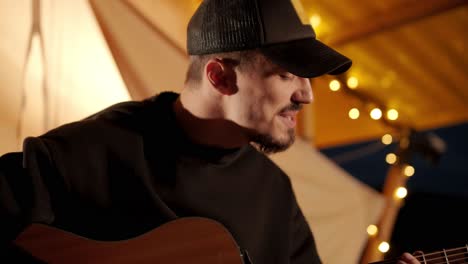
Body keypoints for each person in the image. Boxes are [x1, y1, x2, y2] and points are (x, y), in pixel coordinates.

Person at [0, 0, 421, 263]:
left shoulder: (275, 196)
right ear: (219, 78)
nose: (307, 96)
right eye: (289, 74)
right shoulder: (93, 148)